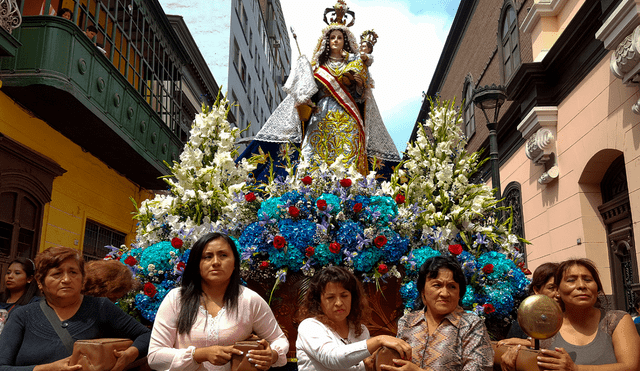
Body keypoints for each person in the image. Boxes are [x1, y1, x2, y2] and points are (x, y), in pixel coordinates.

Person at [239, 0, 400, 180]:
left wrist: (359, 84)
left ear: (345, 41)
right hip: (321, 113)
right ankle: (312, 186)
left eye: (339, 37)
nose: (336, 41)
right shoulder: (317, 68)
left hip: (347, 115)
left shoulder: (354, 64)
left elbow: (362, 99)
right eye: (332, 38)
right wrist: (306, 99)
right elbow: (308, 93)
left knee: (348, 155)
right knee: (315, 156)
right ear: (327, 41)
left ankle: (351, 188)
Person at [147, 232, 289, 371]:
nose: (215, 262)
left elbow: (279, 340)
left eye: (223, 255)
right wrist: (199, 354)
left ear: (234, 263)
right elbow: (154, 357)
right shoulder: (177, 299)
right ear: (197, 264)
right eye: (207, 257)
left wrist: (273, 355)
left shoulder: (249, 300)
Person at [0, 246, 150, 371]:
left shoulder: (100, 307)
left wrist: (130, 354)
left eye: (73, 272)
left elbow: (147, 336)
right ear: (40, 282)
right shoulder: (22, 315)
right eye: (57, 273)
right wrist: (46, 369)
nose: (66, 279)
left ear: (82, 278)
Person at [501, 258, 640, 370]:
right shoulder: (546, 329)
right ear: (558, 291)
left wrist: (575, 369)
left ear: (597, 288)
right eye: (571, 280)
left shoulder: (616, 321)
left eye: (588, 280)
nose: (581, 285)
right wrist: (513, 359)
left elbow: (631, 367)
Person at [387, 256, 493, 371]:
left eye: (452, 286)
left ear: (459, 294)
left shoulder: (471, 325)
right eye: (437, 285)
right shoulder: (408, 321)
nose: (445, 293)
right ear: (423, 291)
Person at [296, 266, 412, 371]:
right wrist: (379, 340)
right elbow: (333, 359)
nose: (339, 303)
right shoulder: (310, 326)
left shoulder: (360, 330)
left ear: (353, 298)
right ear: (318, 302)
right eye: (330, 297)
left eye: (344, 295)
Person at [499, 262, 559, 344]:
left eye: (560, 288)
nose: (558, 294)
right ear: (536, 290)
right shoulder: (525, 319)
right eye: (551, 288)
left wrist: (527, 343)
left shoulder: (572, 316)